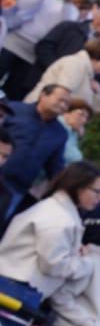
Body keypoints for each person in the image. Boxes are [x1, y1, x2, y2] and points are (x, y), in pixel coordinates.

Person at [0, 160, 100, 315]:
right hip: (17, 287)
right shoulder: (59, 217)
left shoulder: (58, 211)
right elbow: (54, 264)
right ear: (78, 186)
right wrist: (86, 264)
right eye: (97, 192)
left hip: (16, 285)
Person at [0, 0, 82, 100]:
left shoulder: (71, 9)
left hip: (33, 55)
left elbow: (65, 27)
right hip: (11, 43)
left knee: (11, 93)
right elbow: (24, 4)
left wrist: (67, 1)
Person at [0, 84, 72, 224]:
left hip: (17, 188)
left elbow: (55, 167)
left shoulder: (60, 133)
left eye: (67, 104)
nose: (63, 106)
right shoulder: (15, 110)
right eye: (60, 100)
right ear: (43, 95)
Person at [30, 0, 100, 93]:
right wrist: (60, 70)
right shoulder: (69, 27)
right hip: (43, 82)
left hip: (72, 96)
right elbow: (43, 47)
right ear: (95, 16)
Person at [25, 38, 100, 113]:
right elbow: (61, 97)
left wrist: (99, 93)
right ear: (97, 56)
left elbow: (93, 109)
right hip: (37, 114)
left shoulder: (87, 74)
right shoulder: (75, 64)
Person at [58, 99, 91, 165]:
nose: (84, 120)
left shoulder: (73, 132)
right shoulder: (59, 125)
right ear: (67, 112)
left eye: (86, 118)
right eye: (81, 114)